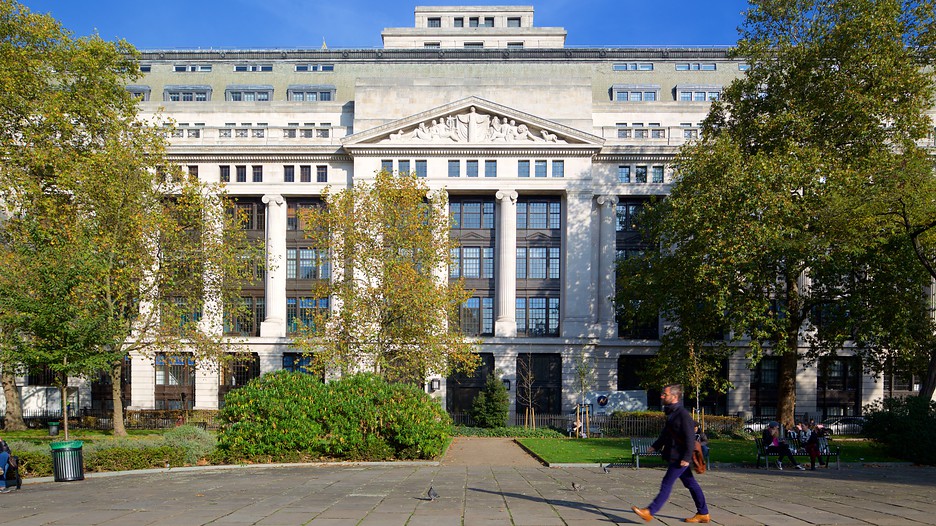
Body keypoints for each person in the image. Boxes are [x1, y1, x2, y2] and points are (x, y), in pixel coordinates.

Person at [632, 384, 710, 524]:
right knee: (691, 483)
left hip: (680, 457)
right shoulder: (673, 413)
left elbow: (690, 437)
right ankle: (703, 513)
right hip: (676, 455)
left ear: (674, 397)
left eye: (665, 394)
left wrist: (686, 458)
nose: (662, 396)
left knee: (667, 483)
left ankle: (650, 512)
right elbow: (666, 434)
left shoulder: (682, 414)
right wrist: (655, 446)